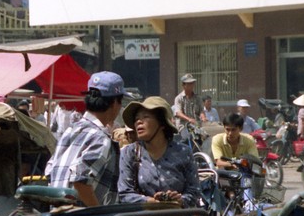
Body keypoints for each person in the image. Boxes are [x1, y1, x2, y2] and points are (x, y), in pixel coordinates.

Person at [46, 71, 129, 207]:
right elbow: (81, 181)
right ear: (114, 103)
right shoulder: (100, 138)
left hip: (57, 214)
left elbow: (50, 171)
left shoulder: (70, 130)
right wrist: (96, 212)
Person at [118, 96, 200, 207]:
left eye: (145, 117)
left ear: (162, 124)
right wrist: (150, 201)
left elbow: (194, 191)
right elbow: (124, 193)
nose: (138, 122)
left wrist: (180, 199)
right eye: (136, 119)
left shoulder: (183, 152)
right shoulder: (129, 152)